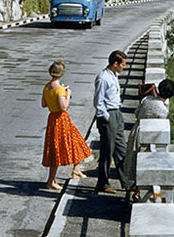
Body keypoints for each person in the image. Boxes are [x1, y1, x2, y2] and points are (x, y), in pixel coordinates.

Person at [123, 78, 174, 202]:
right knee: (145, 163)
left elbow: (136, 113)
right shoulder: (163, 110)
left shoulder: (147, 99)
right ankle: (138, 191)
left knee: (134, 160)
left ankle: (134, 187)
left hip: (137, 131)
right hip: (150, 137)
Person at [41, 60, 92, 191]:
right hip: (61, 119)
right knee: (58, 149)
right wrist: (68, 95)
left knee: (75, 142)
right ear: (61, 73)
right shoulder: (60, 90)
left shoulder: (47, 87)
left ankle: (76, 169)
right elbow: (64, 107)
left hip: (52, 118)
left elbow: (44, 104)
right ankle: (51, 181)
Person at [93, 50, 132, 194]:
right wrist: (106, 117)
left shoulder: (114, 75)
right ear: (115, 64)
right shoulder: (103, 78)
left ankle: (127, 182)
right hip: (108, 116)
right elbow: (98, 100)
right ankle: (103, 183)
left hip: (117, 113)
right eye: (123, 64)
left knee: (121, 148)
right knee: (107, 151)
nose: (124, 67)